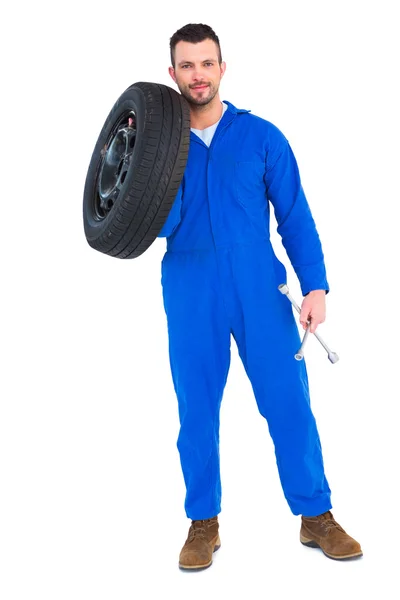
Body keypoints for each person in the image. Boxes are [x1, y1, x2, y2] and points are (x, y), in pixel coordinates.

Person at [157, 23, 362, 570]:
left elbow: (295, 216)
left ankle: (315, 516)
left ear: (222, 68)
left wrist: (315, 285)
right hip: (190, 289)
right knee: (195, 410)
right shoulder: (159, 149)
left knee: (289, 402)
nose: (197, 74)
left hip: (258, 289)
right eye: (186, 65)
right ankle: (203, 524)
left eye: (206, 63)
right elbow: (137, 219)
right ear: (171, 73)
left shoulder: (262, 137)